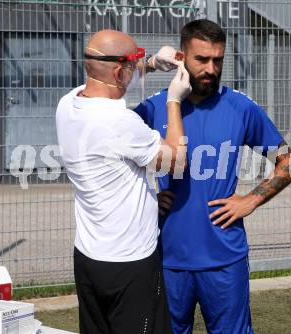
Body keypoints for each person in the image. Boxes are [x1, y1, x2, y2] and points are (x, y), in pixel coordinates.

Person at [135, 19, 291, 334]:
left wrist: (250, 201)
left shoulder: (240, 107)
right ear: (181, 57)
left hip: (224, 258)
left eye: (218, 60)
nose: (211, 68)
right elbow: (113, 149)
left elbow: (288, 163)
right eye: (202, 60)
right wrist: (147, 200)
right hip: (167, 258)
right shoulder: (155, 107)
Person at [56, 29, 191, 333]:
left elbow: (109, 76)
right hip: (130, 264)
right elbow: (175, 160)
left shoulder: (68, 103)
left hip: (89, 258)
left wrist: (154, 62)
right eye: (132, 65)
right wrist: (174, 100)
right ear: (119, 71)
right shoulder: (120, 123)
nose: (135, 70)